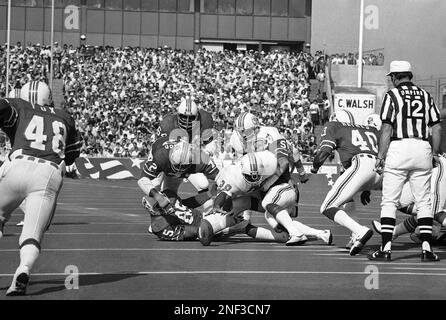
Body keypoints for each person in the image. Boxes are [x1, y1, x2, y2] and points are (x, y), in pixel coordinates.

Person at [0, 81, 81, 296]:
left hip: (18, 165)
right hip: (49, 174)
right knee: (32, 234)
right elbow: (73, 154)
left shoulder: (20, 106)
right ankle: (23, 269)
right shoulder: (64, 116)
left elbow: (2, 109)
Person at [369, 60, 442, 262]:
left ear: (394, 77)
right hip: (422, 148)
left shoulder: (392, 95)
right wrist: (434, 152)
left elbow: (386, 128)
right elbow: (436, 128)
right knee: (424, 202)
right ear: (410, 75)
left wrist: (380, 155)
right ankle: (426, 249)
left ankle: (385, 248)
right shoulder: (426, 96)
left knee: (389, 201)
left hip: (399, 147)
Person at [199, 150, 332, 246]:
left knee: (267, 205)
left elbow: (288, 158)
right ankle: (219, 225)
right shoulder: (234, 177)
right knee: (281, 230)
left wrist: (299, 173)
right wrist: (217, 206)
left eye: (256, 175)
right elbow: (223, 194)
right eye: (250, 177)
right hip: (265, 198)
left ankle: (298, 233)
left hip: (281, 192)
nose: (254, 179)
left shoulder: (269, 161)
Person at [310, 110, 380, 256]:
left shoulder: (334, 126)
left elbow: (324, 152)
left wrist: (315, 166)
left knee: (327, 206)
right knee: (347, 199)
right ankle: (357, 236)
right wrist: (366, 188)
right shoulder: (368, 129)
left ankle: (360, 231)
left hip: (362, 164)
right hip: (380, 170)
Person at [137, 138, 219, 218]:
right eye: (177, 165)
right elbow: (142, 180)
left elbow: (220, 176)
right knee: (154, 194)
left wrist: (218, 200)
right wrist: (157, 196)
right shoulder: (161, 156)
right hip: (164, 166)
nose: (179, 169)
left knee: (203, 184)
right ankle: (159, 221)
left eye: (182, 166)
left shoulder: (200, 159)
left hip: (183, 169)